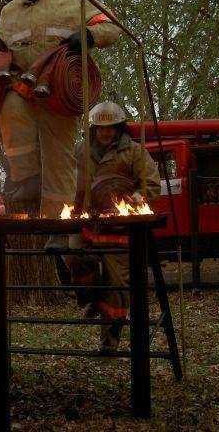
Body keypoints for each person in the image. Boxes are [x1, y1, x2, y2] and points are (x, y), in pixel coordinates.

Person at [0, 0, 120, 220]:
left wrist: (88, 36)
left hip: (59, 93)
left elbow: (111, 25)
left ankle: (57, 222)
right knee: (10, 113)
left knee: (59, 159)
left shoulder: (72, 1)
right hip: (22, 86)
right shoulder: (10, 11)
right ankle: (27, 179)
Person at [69, 101, 161, 352]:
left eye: (110, 128)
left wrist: (136, 199)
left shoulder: (135, 152)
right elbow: (70, 182)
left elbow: (151, 186)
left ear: (119, 128)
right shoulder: (80, 151)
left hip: (119, 231)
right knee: (73, 257)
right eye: (100, 128)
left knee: (118, 286)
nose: (105, 132)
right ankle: (91, 298)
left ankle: (109, 340)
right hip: (88, 225)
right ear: (94, 129)